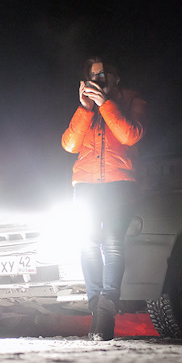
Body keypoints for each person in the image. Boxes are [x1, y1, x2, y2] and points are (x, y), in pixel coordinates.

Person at [61, 57, 146, 340]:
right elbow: (70, 145)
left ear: (116, 77)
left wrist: (105, 104)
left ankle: (106, 308)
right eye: (93, 76)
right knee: (87, 244)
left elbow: (130, 135)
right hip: (85, 185)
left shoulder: (132, 100)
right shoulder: (86, 108)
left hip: (119, 184)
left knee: (112, 244)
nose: (98, 80)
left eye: (103, 75)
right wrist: (85, 108)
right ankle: (97, 306)